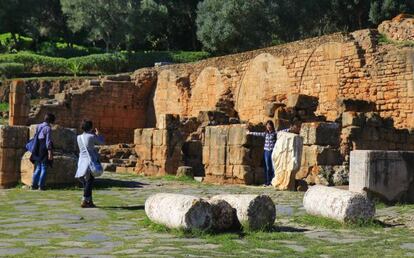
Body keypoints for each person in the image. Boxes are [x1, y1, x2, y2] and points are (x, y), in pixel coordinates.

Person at [247, 120, 288, 186]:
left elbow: (282, 131)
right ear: (266, 126)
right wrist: (250, 133)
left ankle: (272, 182)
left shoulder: (274, 133)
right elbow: (258, 134)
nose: (269, 126)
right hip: (266, 152)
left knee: (272, 167)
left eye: (270, 125)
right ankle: (267, 182)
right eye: (267, 125)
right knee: (267, 167)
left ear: (272, 126)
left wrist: (290, 129)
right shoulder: (265, 134)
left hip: (273, 152)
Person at [75, 120, 104, 208]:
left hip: (82, 161)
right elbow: (102, 142)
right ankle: (84, 199)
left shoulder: (78, 137)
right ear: (91, 128)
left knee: (88, 182)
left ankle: (89, 200)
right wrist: (98, 134)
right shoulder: (91, 136)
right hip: (90, 161)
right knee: (89, 181)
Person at [31, 113, 55, 190]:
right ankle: (41, 186)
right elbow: (48, 141)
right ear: (51, 120)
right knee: (44, 167)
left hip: (38, 147)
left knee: (38, 167)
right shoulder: (48, 128)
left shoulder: (39, 126)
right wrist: (50, 152)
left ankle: (34, 185)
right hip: (44, 148)